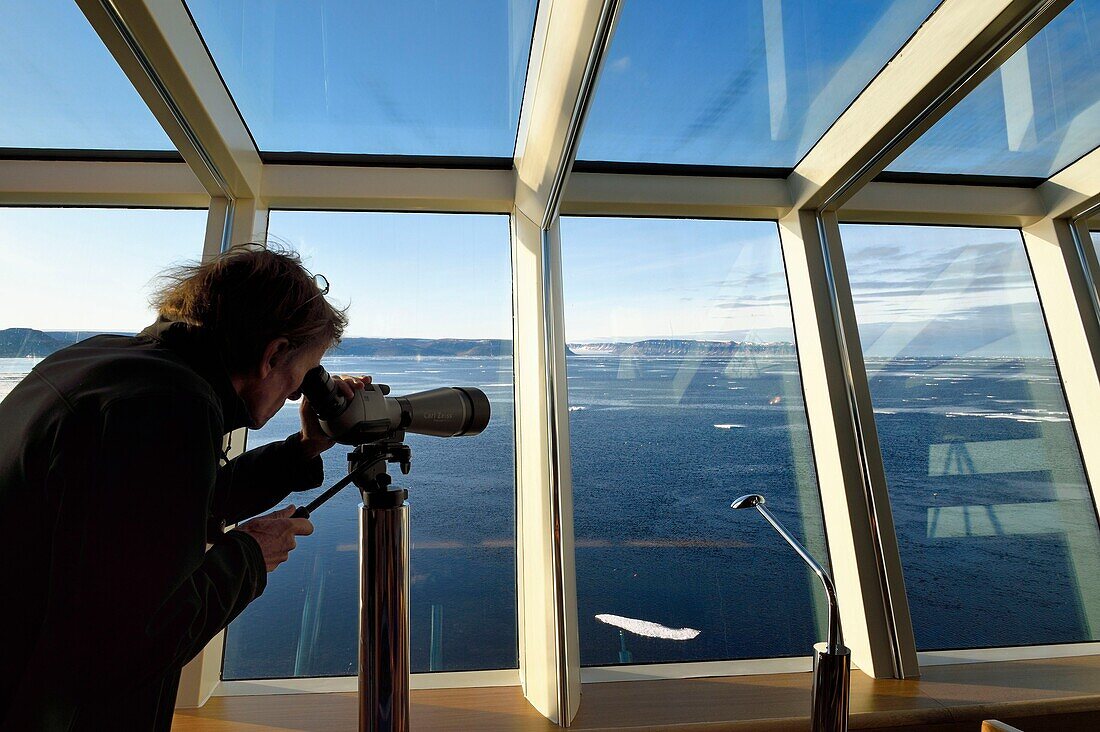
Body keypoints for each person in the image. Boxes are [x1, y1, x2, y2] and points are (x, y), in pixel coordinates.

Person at [0, 247, 365, 731]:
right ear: (272, 354)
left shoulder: (104, 362)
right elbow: (133, 641)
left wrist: (303, 449)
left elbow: (164, 506)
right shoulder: (169, 407)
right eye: (302, 372)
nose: (298, 392)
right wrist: (249, 557)